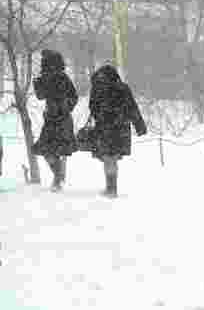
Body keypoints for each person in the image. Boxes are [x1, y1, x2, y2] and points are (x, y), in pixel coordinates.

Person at [86, 65, 147, 198]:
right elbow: (132, 107)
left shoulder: (98, 88)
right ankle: (112, 188)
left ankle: (111, 188)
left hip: (104, 128)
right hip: (121, 128)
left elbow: (92, 107)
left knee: (108, 158)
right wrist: (139, 126)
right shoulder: (123, 88)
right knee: (112, 158)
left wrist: (101, 116)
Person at [31, 49, 79, 192]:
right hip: (52, 119)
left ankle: (58, 179)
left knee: (50, 150)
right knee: (47, 150)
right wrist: (37, 82)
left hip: (60, 119)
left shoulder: (61, 77)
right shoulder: (47, 77)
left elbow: (73, 97)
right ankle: (58, 177)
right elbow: (41, 95)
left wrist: (65, 107)